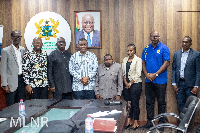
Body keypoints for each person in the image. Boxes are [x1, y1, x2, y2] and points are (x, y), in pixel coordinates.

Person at [141, 30, 170, 132]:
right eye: (153, 36)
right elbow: (143, 63)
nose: (155, 38)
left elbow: (166, 63)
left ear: (159, 37)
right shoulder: (146, 49)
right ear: (150, 37)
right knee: (149, 102)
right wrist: (146, 74)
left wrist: (156, 74)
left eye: (157, 36)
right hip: (149, 80)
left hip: (160, 81)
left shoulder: (164, 48)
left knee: (161, 102)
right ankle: (150, 122)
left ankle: (161, 122)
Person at [172, 36, 200, 114]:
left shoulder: (196, 54)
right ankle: (181, 125)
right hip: (179, 84)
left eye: (186, 42)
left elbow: (198, 71)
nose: (184, 44)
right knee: (180, 105)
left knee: (191, 106)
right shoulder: (176, 54)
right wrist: (173, 83)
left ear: (190, 43)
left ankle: (189, 125)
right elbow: (173, 69)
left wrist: (196, 86)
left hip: (191, 85)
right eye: (183, 42)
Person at [1, 30, 25, 106]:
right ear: (12, 37)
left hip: (21, 81)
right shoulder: (5, 51)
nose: (17, 38)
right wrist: (5, 85)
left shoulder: (23, 50)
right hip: (11, 83)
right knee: (11, 106)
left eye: (19, 36)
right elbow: (3, 69)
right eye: (15, 36)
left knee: (21, 104)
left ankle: (20, 118)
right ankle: (11, 118)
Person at [122, 44, 142, 130]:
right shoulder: (125, 59)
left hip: (136, 84)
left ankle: (136, 122)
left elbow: (138, 73)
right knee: (128, 104)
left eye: (131, 50)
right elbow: (123, 73)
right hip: (126, 85)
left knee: (135, 104)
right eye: (128, 51)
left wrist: (130, 83)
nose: (129, 52)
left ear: (134, 51)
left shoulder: (138, 60)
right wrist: (126, 83)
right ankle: (128, 121)